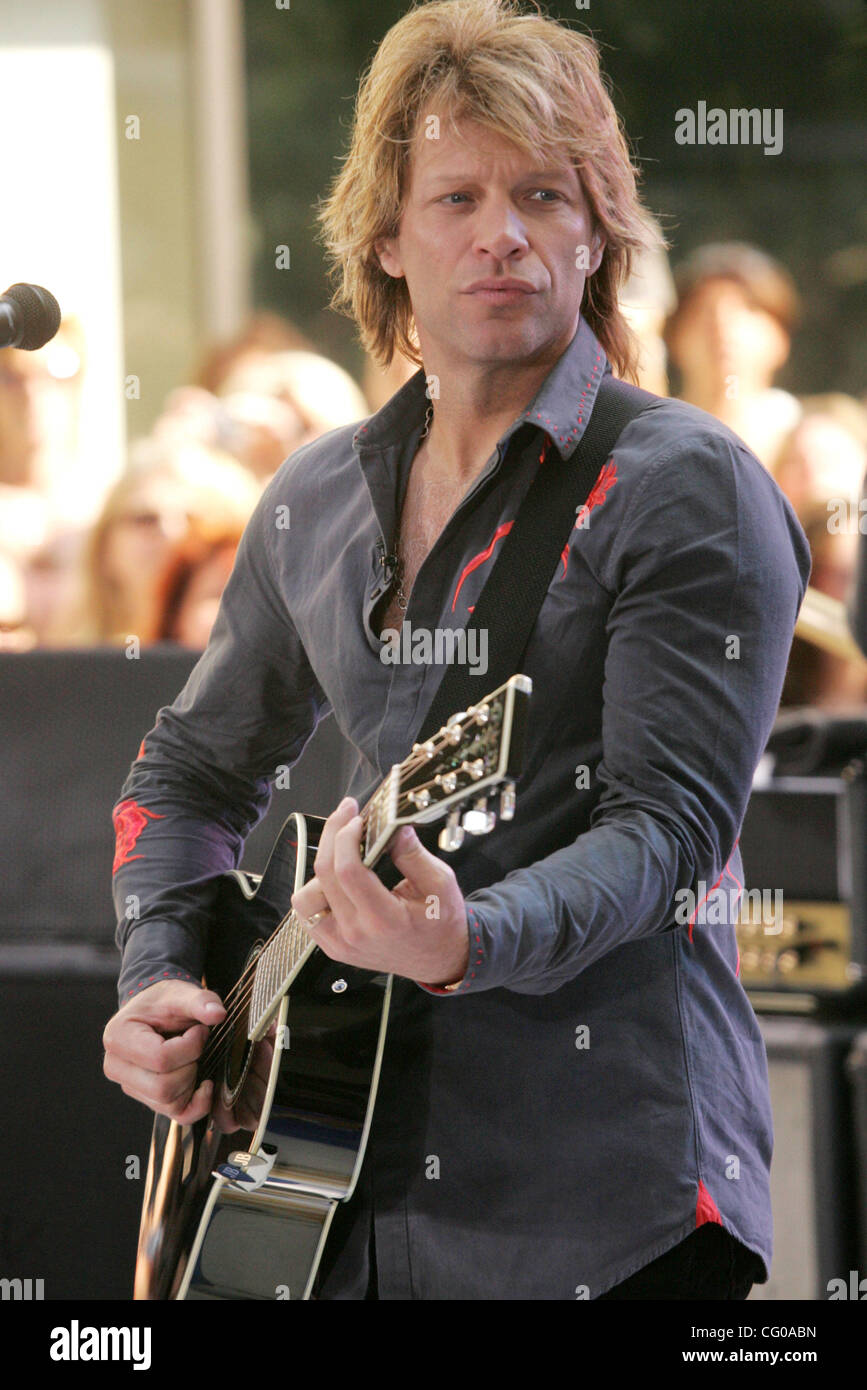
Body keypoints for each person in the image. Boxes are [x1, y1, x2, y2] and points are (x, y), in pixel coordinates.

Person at [102, 0, 811, 1300]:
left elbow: (667, 833)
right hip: (331, 1202)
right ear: (385, 232)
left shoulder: (684, 486)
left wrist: (465, 937)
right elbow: (188, 774)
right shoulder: (315, 498)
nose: (504, 233)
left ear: (595, 231)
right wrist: (160, 979)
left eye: (543, 195)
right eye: (457, 196)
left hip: (603, 1207)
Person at [664, 242, 802, 468]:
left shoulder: (820, 444)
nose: (721, 326)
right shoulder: (646, 442)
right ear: (674, 338)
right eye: (702, 310)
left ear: (781, 338)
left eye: (747, 308)